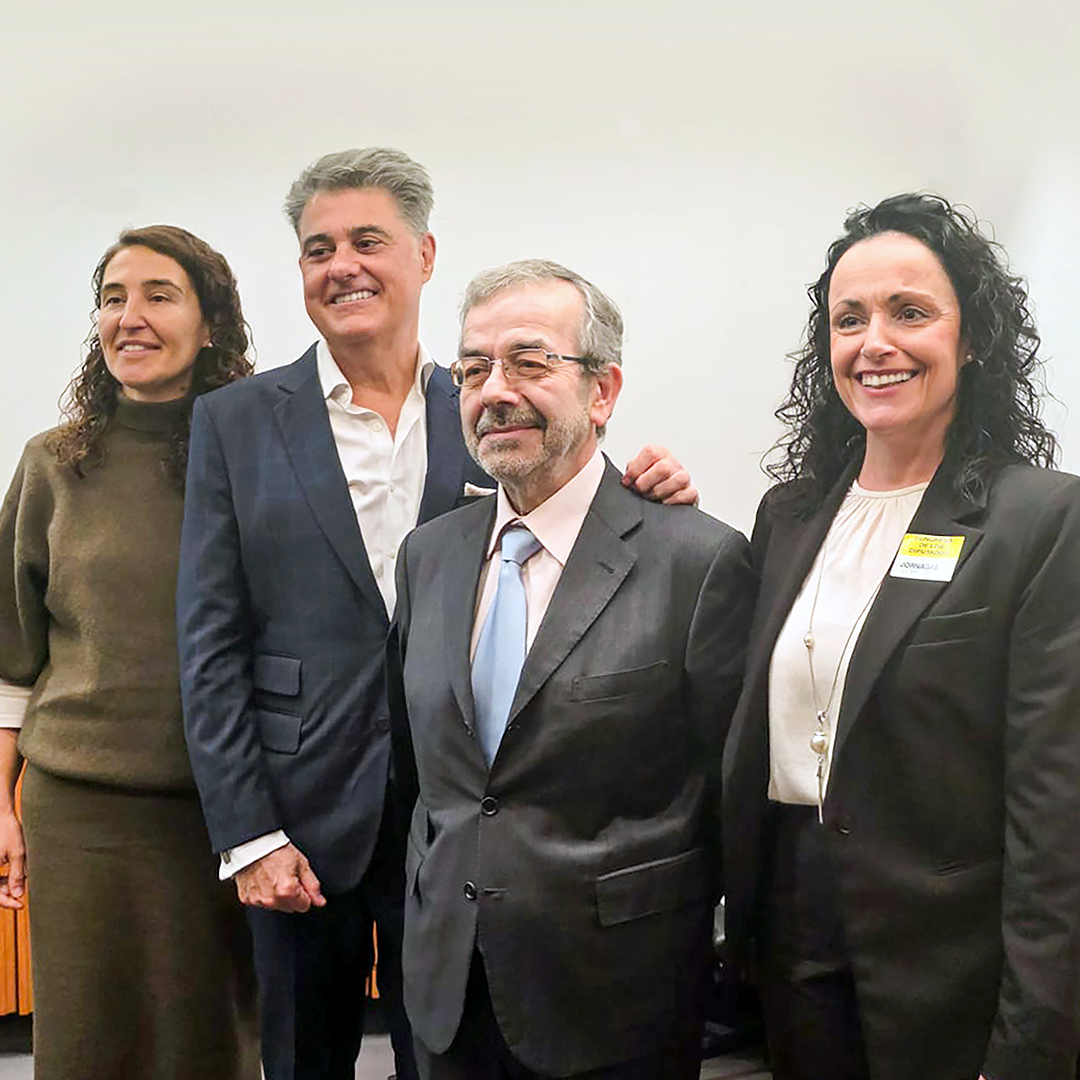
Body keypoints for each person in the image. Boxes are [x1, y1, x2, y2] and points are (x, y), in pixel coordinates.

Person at [176, 148, 697, 1080]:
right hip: (299, 820)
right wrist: (248, 834)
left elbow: (571, 518)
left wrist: (650, 491)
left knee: (451, 1053)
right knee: (299, 1057)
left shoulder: (487, 398)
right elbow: (209, 641)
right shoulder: (236, 420)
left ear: (423, 255)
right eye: (317, 248)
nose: (343, 265)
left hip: (457, 823)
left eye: (367, 240)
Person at [721, 193, 1080, 1080]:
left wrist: (1036, 1039)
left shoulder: (1038, 519)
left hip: (948, 970)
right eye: (849, 320)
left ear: (972, 338)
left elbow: (1055, 813)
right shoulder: (789, 516)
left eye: (908, 313)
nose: (873, 342)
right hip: (791, 936)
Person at [387, 258, 755, 1079]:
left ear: (603, 391)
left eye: (528, 361)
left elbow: (734, 797)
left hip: (620, 998)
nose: (493, 390)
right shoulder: (429, 556)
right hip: (450, 989)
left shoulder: (695, 559)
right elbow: (419, 776)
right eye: (473, 369)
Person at [0, 225, 259, 1080]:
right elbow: (11, 657)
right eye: (113, 298)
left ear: (210, 324)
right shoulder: (53, 464)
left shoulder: (260, 461)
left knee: (209, 1045)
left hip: (223, 817)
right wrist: (1, 805)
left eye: (158, 294)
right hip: (81, 816)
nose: (130, 316)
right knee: (85, 1049)